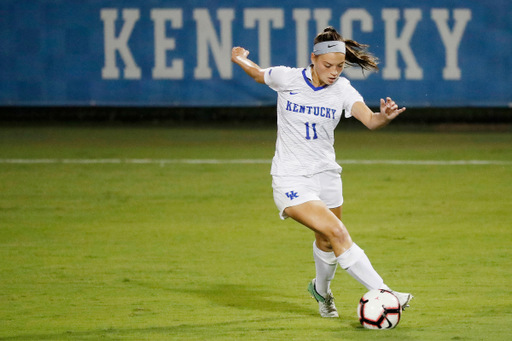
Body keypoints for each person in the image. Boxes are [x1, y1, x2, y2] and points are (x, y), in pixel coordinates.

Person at [231, 26, 412, 318]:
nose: (334, 71)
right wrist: (240, 58)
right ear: (313, 58)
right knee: (338, 232)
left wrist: (384, 117)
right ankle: (386, 292)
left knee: (327, 240)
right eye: (328, 65)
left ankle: (321, 291)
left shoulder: (342, 89)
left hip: (327, 175)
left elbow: (370, 120)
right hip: (291, 178)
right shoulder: (287, 77)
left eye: (340, 66)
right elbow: (256, 73)